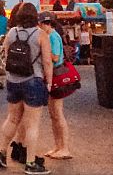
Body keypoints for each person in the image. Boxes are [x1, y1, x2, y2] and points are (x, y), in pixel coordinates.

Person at [0, 3, 53, 174]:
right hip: (33, 80)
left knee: (12, 118)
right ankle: (31, 163)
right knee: (32, 124)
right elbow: (47, 62)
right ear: (35, 17)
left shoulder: (12, 32)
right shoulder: (41, 35)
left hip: (14, 80)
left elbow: (5, 53)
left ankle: (2, 152)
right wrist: (48, 82)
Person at [38, 11, 72, 161]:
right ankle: (58, 146)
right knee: (53, 114)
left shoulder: (52, 37)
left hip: (57, 77)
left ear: (45, 24)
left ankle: (64, 147)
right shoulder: (51, 35)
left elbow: (55, 57)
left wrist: (43, 51)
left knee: (57, 113)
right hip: (53, 76)